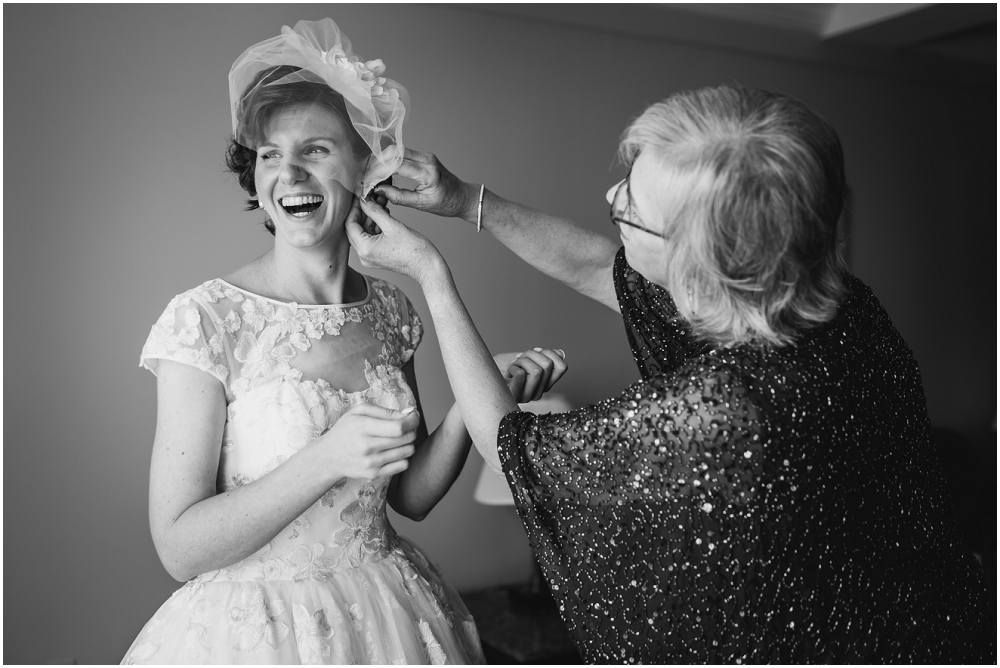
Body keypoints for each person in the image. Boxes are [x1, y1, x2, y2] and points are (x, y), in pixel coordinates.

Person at [346, 85, 995, 663]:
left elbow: (505, 444)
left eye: (627, 208)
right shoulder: (846, 311)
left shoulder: (718, 419)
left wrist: (431, 273)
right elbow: (609, 271)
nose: (610, 196)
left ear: (698, 268)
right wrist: (465, 201)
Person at [122, 19, 566, 665]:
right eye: (271, 154)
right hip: (259, 631)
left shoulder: (391, 310)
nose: (290, 172)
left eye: (318, 149)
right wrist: (326, 457)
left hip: (389, 611)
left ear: (366, 167)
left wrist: (477, 404)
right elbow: (179, 547)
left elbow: (409, 497)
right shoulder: (206, 318)